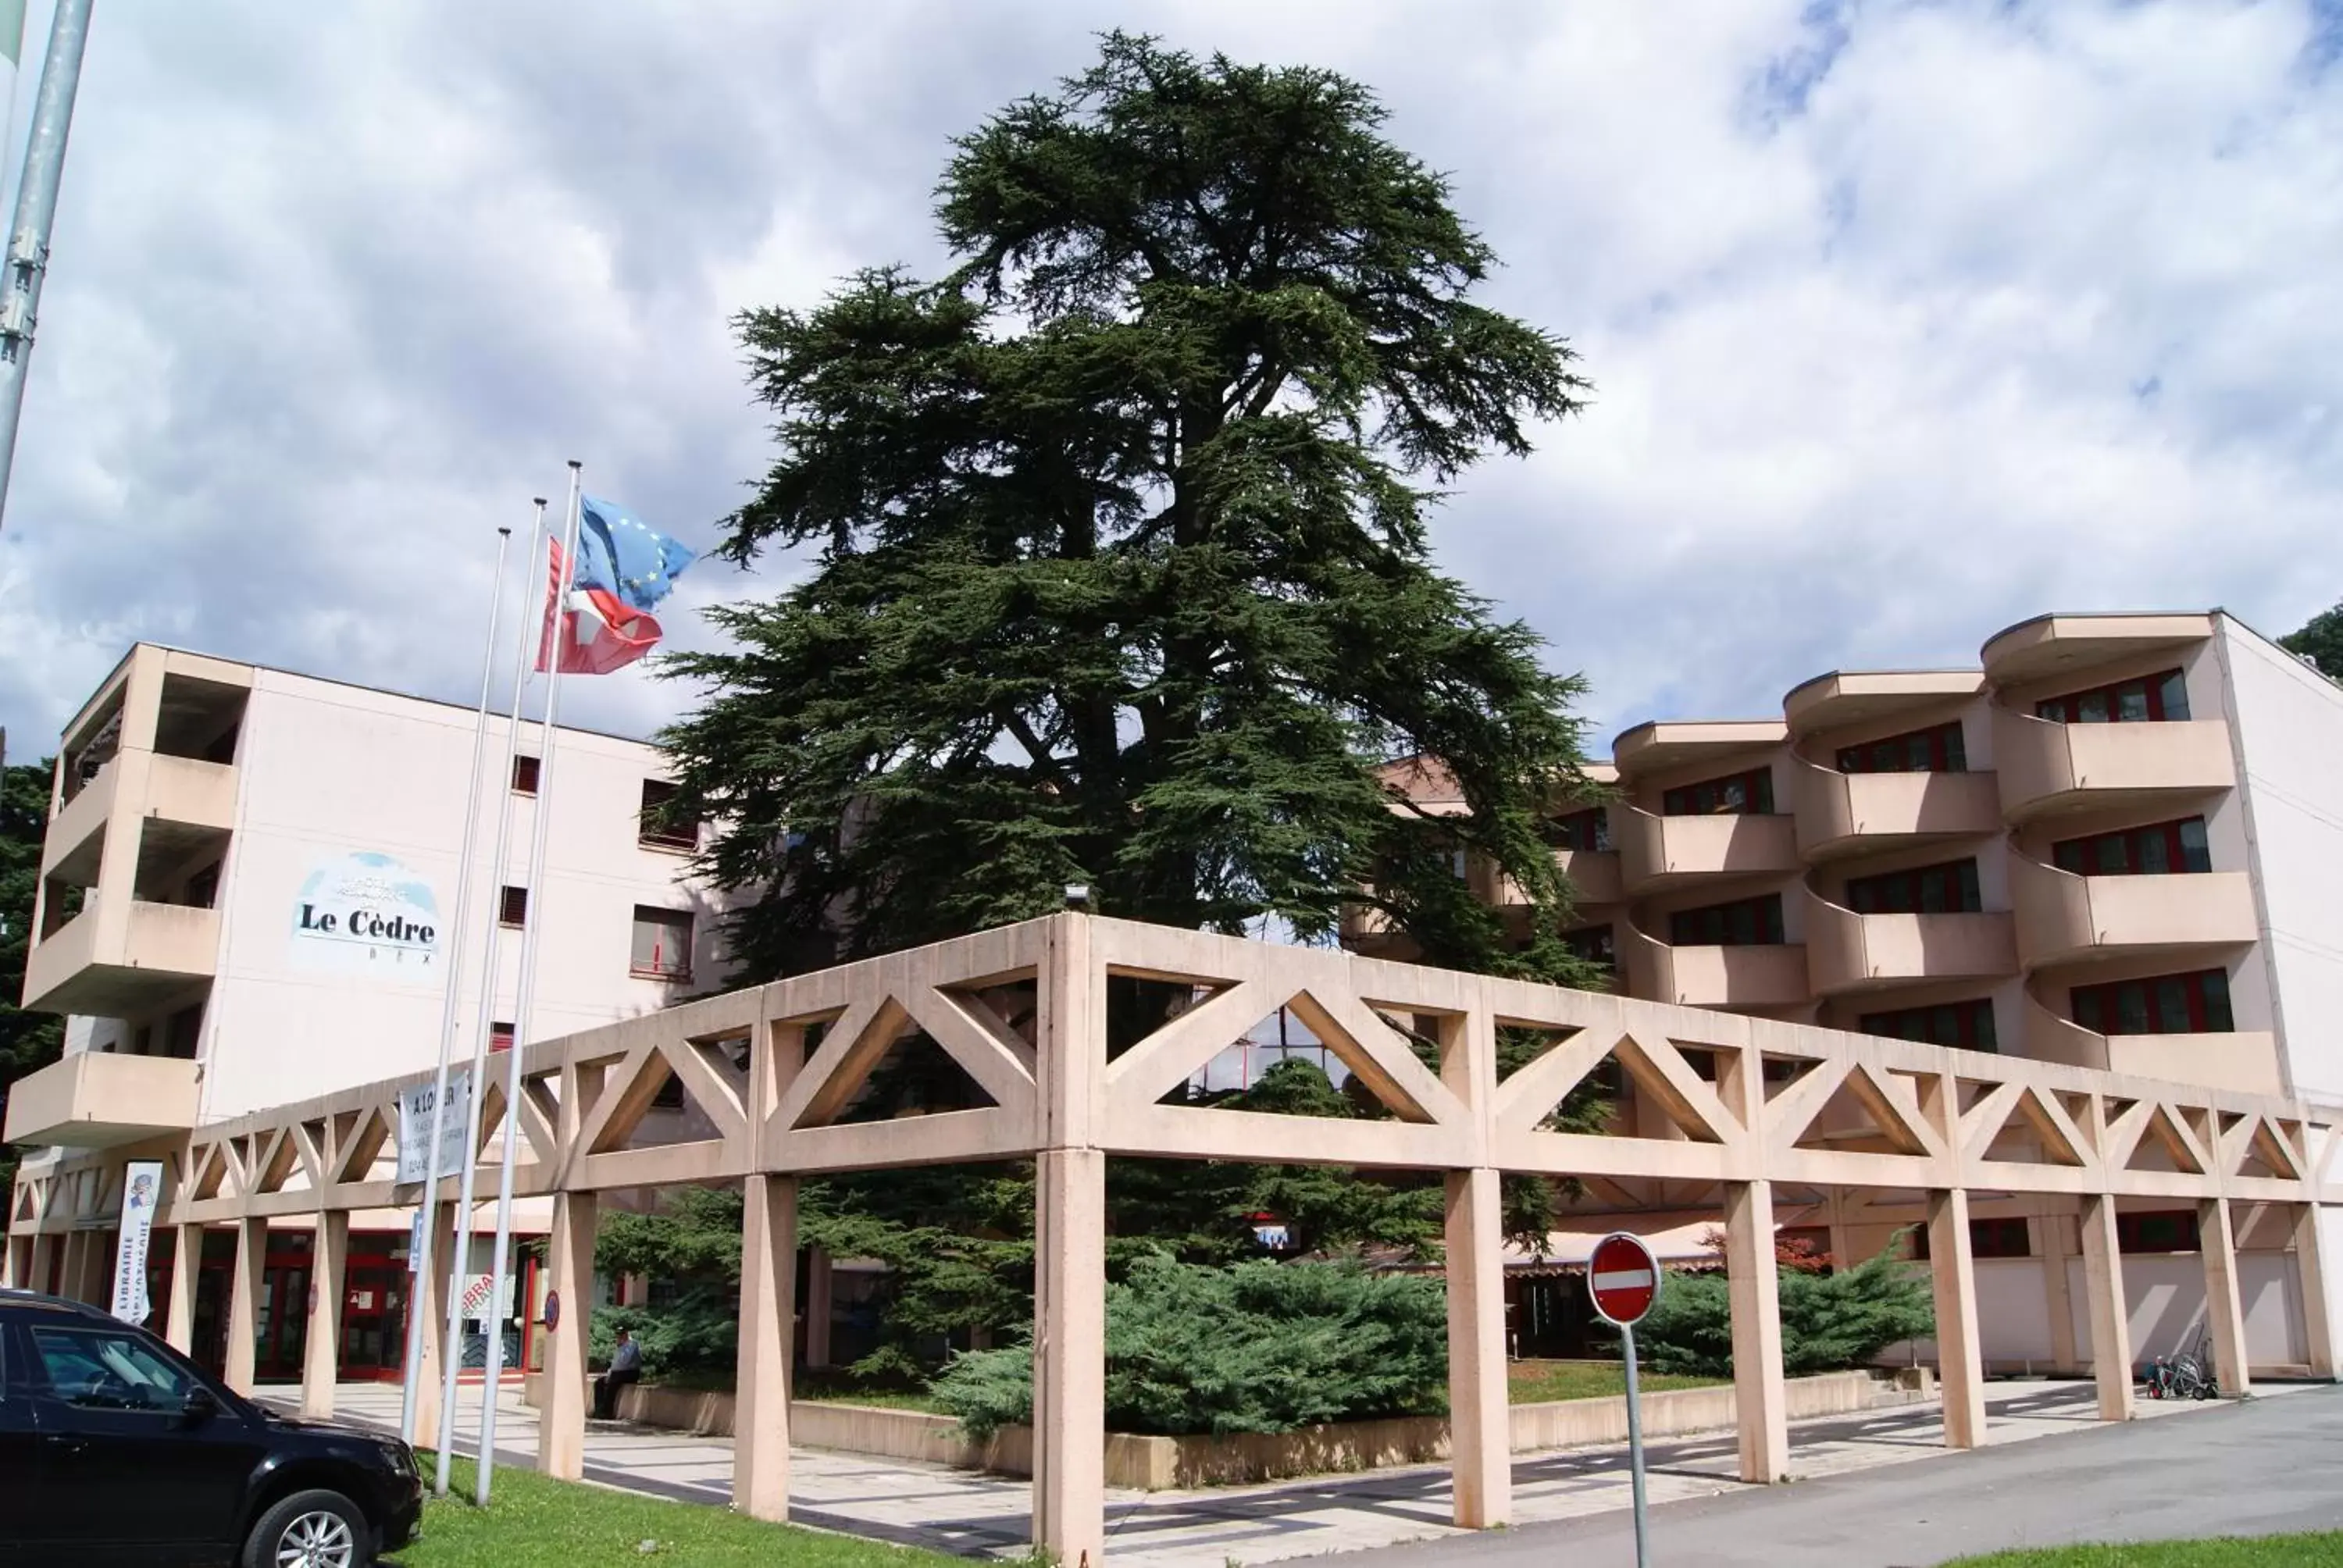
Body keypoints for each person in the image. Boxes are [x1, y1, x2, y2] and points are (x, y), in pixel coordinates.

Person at [594, 1327, 643, 1420]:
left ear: (626, 1335)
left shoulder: (632, 1345)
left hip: (629, 1372)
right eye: (618, 1335)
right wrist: (610, 1372)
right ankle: (599, 1410)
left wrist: (621, 1346)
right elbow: (615, 1363)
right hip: (618, 1372)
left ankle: (607, 1412)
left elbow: (625, 1362)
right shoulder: (621, 1346)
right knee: (599, 1383)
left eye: (621, 1335)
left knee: (612, 1384)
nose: (619, 1337)